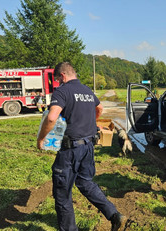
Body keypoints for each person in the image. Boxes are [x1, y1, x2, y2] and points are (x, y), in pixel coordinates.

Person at [37, 62, 126, 231]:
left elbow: (51, 118)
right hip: (88, 147)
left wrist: (41, 139)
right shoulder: (86, 90)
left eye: (57, 79)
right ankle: (114, 215)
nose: (57, 83)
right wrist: (91, 121)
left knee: (62, 194)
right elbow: (99, 108)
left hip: (70, 150)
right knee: (86, 182)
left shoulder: (62, 91)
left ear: (62, 76)